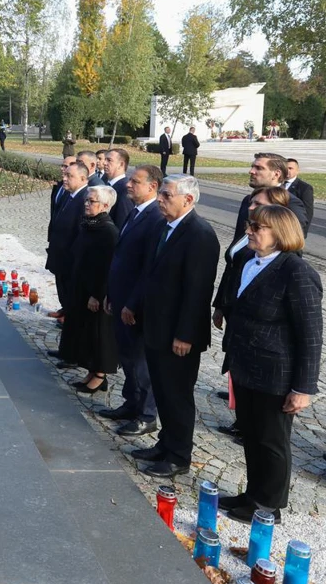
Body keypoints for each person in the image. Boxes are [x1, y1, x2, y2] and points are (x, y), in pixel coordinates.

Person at [214, 205, 322, 522]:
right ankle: (253, 494)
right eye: (250, 225)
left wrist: (303, 388)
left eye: (257, 227)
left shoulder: (297, 272)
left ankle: (268, 506)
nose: (248, 231)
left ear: (280, 234)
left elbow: (310, 336)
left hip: (276, 375)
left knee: (271, 441)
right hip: (245, 368)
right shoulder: (249, 260)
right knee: (251, 434)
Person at [123, 174, 220, 478]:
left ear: (187, 200)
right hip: (156, 327)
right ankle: (165, 444)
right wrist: (134, 304)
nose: (160, 200)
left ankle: (179, 456)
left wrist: (185, 334)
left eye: (167, 195)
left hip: (179, 335)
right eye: (161, 194)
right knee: (163, 392)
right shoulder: (162, 227)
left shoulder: (200, 234)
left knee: (177, 396)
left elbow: (198, 291)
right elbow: (149, 273)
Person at [102, 165, 165, 435]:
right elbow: (121, 256)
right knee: (127, 357)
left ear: (152, 186)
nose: (128, 185)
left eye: (135, 182)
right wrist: (111, 293)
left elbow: (147, 268)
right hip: (120, 296)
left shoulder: (155, 217)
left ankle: (147, 414)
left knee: (141, 362)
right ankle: (131, 403)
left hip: (135, 304)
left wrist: (132, 303)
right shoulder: (136, 211)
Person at [63, 185, 119, 394]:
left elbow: (107, 267)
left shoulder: (108, 231)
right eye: (86, 200)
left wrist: (97, 294)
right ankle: (91, 371)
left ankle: (100, 375)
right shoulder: (89, 224)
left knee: (98, 334)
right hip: (82, 288)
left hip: (96, 293)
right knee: (85, 333)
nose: (87, 204)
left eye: (92, 201)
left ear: (105, 205)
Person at [46, 161, 90, 360]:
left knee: (74, 311)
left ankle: (73, 353)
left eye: (69, 176)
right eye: (64, 174)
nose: (64, 178)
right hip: (61, 262)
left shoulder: (84, 199)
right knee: (67, 307)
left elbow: (80, 236)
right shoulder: (69, 195)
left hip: (71, 265)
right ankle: (67, 349)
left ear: (83, 178)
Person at [232, 154, 308, 243]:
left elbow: (292, 241)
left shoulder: (290, 204)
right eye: (252, 167)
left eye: (259, 168)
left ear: (276, 174)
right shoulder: (248, 200)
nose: (251, 171)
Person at [103, 148, 134, 229]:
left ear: (121, 164)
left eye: (109, 160)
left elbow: (122, 223)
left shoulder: (125, 190)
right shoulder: (106, 184)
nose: (104, 163)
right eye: (105, 159)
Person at [283, 159, 315, 234]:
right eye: (285, 168)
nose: (287, 170)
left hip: (293, 228)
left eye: (290, 168)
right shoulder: (276, 184)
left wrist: (303, 232)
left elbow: (308, 212)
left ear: (297, 171)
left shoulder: (304, 188)